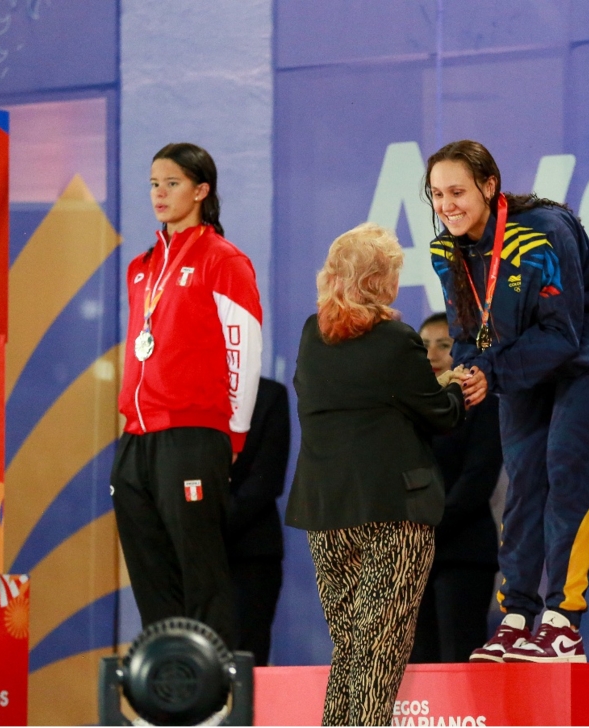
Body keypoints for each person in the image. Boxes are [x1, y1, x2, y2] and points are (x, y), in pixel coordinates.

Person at [425, 140, 589, 663]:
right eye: (436, 194)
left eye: (457, 191)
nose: (446, 204)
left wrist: (489, 370)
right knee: (523, 482)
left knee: (568, 474)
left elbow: (563, 334)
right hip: (520, 358)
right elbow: (464, 336)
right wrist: (467, 374)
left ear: (489, 186)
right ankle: (517, 617)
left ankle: (563, 622)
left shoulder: (543, 230)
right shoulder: (445, 250)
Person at [285, 222, 466, 726]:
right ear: (378, 280)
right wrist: (456, 386)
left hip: (326, 513)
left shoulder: (311, 335)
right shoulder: (396, 340)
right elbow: (441, 414)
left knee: (350, 647)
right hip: (394, 511)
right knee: (379, 651)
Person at [112, 143, 263, 649]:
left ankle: (214, 699)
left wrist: (233, 435)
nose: (159, 193)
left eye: (172, 183)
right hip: (136, 437)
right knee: (150, 577)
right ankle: (169, 696)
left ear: (201, 191)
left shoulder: (224, 259)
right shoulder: (141, 267)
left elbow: (243, 351)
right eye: (154, 183)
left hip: (194, 435)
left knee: (201, 574)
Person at [409, 312, 503, 664]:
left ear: (462, 351)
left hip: (462, 551)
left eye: (443, 345)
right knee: (419, 664)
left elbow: (478, 479)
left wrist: (427, 524)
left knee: (458, 658)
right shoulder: (406, 406)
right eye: (423, 346)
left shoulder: (482, 404)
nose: (431, 355)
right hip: (413, 555)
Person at [227, 376, 289, 666]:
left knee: (246, 661)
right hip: (196, 553)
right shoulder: (189, 395)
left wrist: (211, 523)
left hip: (251, 551)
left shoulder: (269, 395)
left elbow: (267, 479)